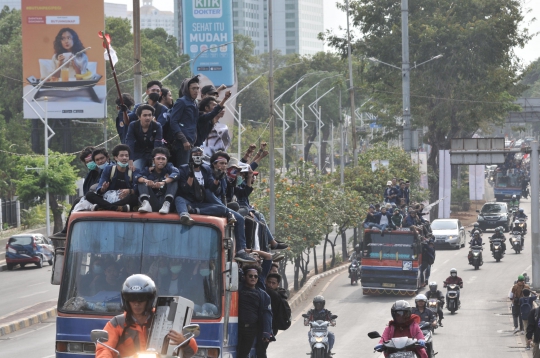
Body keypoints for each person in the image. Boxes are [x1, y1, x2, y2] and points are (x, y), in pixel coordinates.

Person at [174, 147, 255, 263]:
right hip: (190, 200)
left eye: (225, 164)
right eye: (221, 163)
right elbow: (186, 190)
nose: (223, 166)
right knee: (179, 199)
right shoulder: (183, 169)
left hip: (206, 206)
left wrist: (219, 179)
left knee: (240, 218)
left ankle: (241, 251)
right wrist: (191, 175)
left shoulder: (209, 171)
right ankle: (185, 214)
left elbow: (213, 187)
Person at [95, 274, 197, 358]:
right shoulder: (117, 323)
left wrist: (184, 341)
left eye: (141, 298)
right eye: (132, 298)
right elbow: (104, 348)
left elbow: (192, 351)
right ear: (126, 300)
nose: (136, 303)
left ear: (149, 300)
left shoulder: (165, 319)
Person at [86, 144, 139, 212]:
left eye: (126, 156)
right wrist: (102, 188)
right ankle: (117, 208)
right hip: (109, 198)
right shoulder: (109, 169)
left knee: (134, 198)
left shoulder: (133, 170)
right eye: (121, 156)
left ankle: (104, 207)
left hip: (124, 198)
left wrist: (129, 191)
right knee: (89, 195)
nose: (124, 158)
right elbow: (100, 186)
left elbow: (137, 188)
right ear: (116, 158)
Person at [237, 264, 275, 358]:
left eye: (255, 276)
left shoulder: (263, 295)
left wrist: (267, 332)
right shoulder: (237, 291)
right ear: (245, 277)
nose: (253, 278)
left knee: (243, 354)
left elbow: (267, 314)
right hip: (236, 328)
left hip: (251, 329)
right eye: (250, 276)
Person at [135, 147, 178, 214]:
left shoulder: (169, 167)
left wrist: (163, 182)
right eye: (158, 158)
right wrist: (147, 181)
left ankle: (167, 203)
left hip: (166, 202)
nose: (161, 161)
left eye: (163, 159)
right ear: (153, 160)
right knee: (142, 179)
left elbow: (177, 173)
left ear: (167, 160)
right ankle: (145, 203)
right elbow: (137, 177)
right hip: (152, 201)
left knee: (173, 179)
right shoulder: (148, 170)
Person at [170, 76, 200, 167]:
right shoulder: (181, 102)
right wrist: (183, 140)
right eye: (193, 88)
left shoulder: (195, 102)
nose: (196, 91)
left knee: (189, 169)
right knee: (183, 169)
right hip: (182, 143)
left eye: (197, 88)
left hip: (191, 141)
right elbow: (173, 121)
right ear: (187, 89)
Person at [125, 104, 164, 171]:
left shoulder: (157, 126)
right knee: (135, 170)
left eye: (150, 115)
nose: (148, 118)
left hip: (153, 155)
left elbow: (158, 145)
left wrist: (155, 163)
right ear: (139, 117)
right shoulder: (133, 126)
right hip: (138, 155)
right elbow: (129, 143)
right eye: (145, 115)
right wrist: (130, 161)